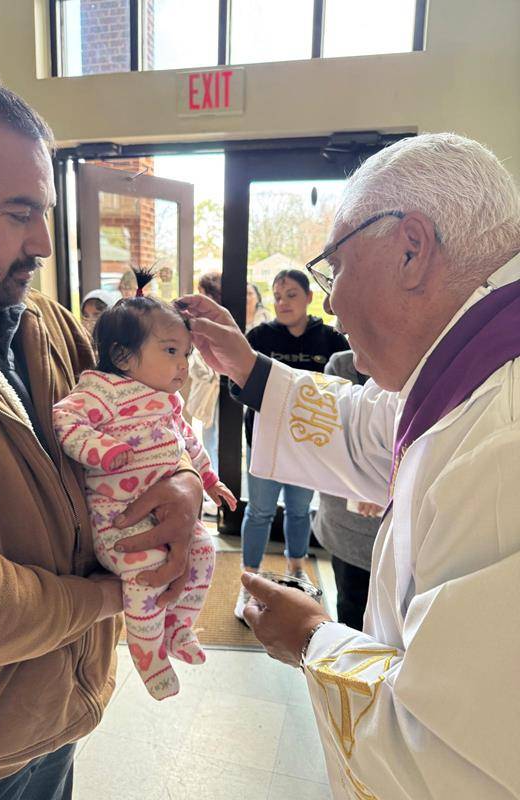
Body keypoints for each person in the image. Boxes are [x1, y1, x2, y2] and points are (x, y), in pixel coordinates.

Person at [178, 133, 520, 798]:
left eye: (335, 271)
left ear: (411, 251)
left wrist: (310, 637)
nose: (329, 304)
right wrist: (247, 370)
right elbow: (370, 427)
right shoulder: (471, 371)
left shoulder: (504, 442)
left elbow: (444, 758)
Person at [0, 65, 203, 797]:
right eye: (19, 213)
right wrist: (110, 599)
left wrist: (182, 482)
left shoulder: (45, 324)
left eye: (44, 211)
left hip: (57, 720)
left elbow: (144, 417)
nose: (45, 243)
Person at [53, 273, 235, 700]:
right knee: (144, 575)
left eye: (186, 354)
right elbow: (66, 419)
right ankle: (149, 657)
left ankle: (180, 629)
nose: (183, 365)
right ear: (122, 355)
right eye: (171, 351)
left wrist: (208, 479)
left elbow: (189, 443)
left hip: (166, 514)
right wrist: (99, 450)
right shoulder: (103, 390)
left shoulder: (169, 402)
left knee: (205, 552)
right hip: (120, 522)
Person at [235, 269, 347, 621]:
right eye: (278, 296)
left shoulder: (329, 339)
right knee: (260, 512)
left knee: (300, 511)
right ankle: (248, 581)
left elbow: (346, 390)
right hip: (265, 443)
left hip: (307, 446)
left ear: (310, 298)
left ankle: (296, 571)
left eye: (291, 295)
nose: (282, 302)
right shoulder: (258, 337)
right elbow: (235, 385)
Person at [313, 350, 382, 630]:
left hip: (404, 531)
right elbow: (327, 439)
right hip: (349, 529)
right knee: (352, 610)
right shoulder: (341, 366)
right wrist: (361, 485)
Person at [187, 272, 222, 514]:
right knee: (208, 436)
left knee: (214, 438)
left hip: (224, 388)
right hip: (212, 388)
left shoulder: (219, 320)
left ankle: (214, 485)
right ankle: (213, 484)